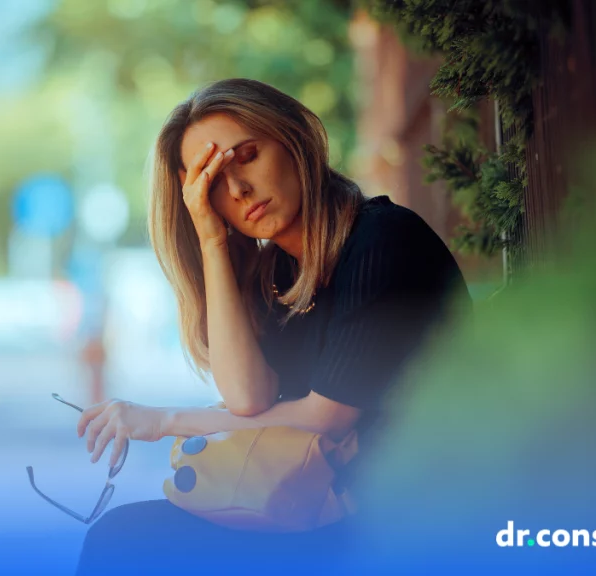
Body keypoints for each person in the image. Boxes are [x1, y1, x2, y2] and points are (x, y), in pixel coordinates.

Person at [70, 78, 471, 576]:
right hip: (335, 508)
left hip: (422, 515)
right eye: (212, 183)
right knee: (121, 539)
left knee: (128, 545)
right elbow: (247, 398)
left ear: (295, 140)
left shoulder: (383, 241)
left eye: (248, 156)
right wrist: (211, 240)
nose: (237, 189)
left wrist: (163, 422)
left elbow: (327, 417)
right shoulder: (281, 273)